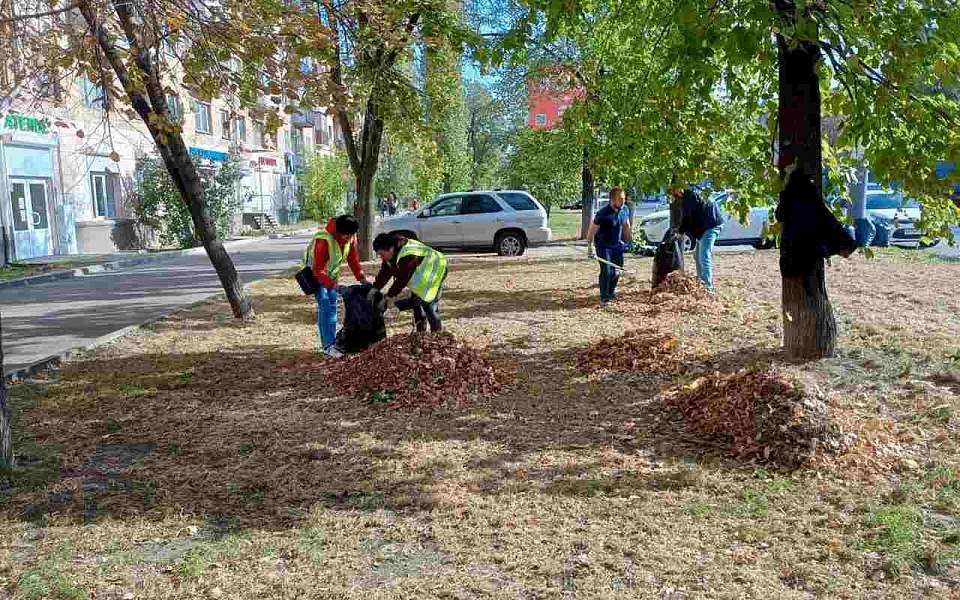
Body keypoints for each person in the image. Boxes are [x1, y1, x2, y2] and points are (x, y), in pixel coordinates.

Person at [305, 215, 370, 357]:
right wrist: (335, 286)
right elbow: (317, 270)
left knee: (333, 306)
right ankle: (328, 346)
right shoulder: (324, 240)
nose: (350, 239)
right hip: (315, 275)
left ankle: (333, 342)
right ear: (340, 232)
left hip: (331, 275)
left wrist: (362, 279)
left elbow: (353, 260)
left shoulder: (350, 236)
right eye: (348, 236)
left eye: (352, 235)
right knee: (325, 305)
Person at [371, 232, 448, 333]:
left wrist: (390, 296)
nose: (381, 257)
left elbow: (402, 279)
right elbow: (385, 273)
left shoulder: (407, 255)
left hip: (437, 270)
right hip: (422, 276)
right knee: (417, 306)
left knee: (429, 306)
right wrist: (374, 289)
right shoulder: (391, 254)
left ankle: (437, 335)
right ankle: (420, 333)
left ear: (390, 249)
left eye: (381, 254)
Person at [586, 186, 633, 306]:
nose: (623, 201)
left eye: (623, 198)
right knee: (606, 270)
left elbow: (626, 226)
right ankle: (604, 298)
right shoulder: (603, 213)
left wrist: (629, 242)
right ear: (612, 199)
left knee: (617, 271)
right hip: (603, 246)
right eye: (620, 199)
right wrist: (590, 246)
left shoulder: (624, 210)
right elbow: (592, 230)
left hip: (617, 245)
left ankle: (611, 293)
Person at [673, 188, 723, 291]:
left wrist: (680, 232)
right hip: (704, 227)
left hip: (711, 226)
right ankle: (701, 282)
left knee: (704, 255)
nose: (674, 193)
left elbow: (687, 218)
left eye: (675, 190)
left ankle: (708, 287)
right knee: (697, 256)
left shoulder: (690, 197)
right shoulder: (689, 195)